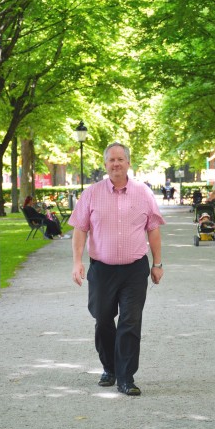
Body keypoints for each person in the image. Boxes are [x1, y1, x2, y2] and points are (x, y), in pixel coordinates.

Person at [69, 142, 165, 396]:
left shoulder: (143, 193)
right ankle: (109, 368)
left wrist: (157, 263)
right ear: (105, 164)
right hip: (102, 269)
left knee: (130, 321)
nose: (116, 164)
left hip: (135, 269)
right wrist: (77, 262)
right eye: (111, 160)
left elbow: (153, 229)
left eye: (120, 159)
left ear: (128, 163)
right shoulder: (91, 193)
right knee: (102, 319)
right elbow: (80, 229)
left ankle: (125, 377)